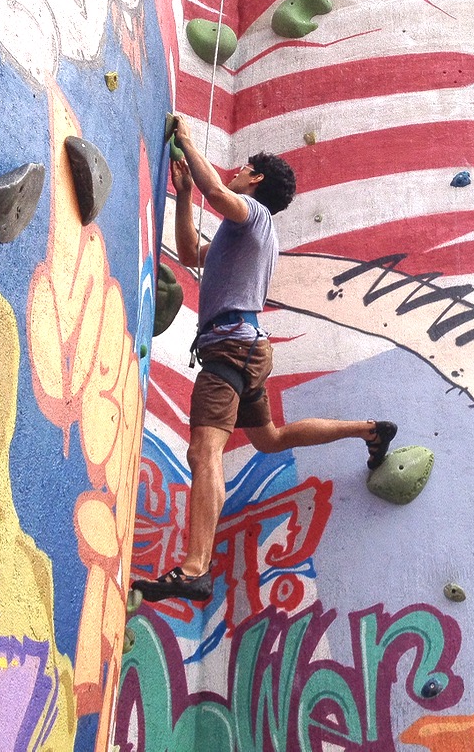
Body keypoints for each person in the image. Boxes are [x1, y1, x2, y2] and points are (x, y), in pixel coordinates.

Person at [133, 117, 397, 603]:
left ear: (254, 178)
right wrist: (185, 194)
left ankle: (195, 566)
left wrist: (188, 144)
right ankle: (368, 430)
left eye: (241, 169)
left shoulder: (254, 216)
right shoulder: (248, 237)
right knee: (269, 439)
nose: (232, 173)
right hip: (251, 346)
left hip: (230, 345)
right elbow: (192, 251)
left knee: (203, 452)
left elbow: (218, 191)